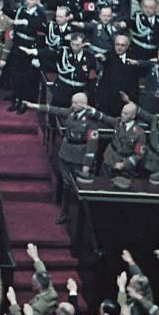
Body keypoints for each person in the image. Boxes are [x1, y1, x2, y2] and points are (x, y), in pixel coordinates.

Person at [21, 93, 104, 222]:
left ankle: (75, 216)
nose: (73, 105)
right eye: (72, 102)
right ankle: (65, 212)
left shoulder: (91, 122)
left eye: (75, 103)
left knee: (76, 187)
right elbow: (54, 109)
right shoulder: (71, 112)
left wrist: (86, 165)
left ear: (83, 104)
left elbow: (92, 146)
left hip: (79, 156)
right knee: (66, 183)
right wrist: (34, 106)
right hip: (66, 152)